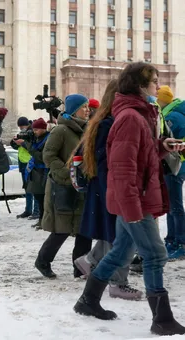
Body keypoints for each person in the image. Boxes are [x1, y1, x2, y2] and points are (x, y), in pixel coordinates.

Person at [73, 62, 185, 336]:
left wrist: (162, 147)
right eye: (154, 81)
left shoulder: (138, 114)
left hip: (134, 199)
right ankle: (162, 318)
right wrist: (133, 210)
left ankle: (88, 301)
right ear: (138, 84)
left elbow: (140, 156)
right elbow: (122, 170)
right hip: (135, 200)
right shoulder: (131, 118)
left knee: (122, 251)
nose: (157, 87)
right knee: (156, 254)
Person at [73, 79, 143, 301]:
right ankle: (117, 282)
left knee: (115, 233)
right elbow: (107, 160)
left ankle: (91, 261)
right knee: (121, 235)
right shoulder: (111, 123)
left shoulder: (104, 121)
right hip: (110, 187)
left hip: (106, 187)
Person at [35, 94, 92, 279]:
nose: (88, 110)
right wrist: (68, 174)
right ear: (74, 110)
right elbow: (49, 156)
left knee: (84, 230)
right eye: (83, 107)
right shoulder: (60, 130)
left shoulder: (88, 129)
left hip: (83, 187)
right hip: (63, 187)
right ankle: (43, 261)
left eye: (88, 107)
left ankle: (81, 268)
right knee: (62, 229)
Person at [156, 85, 185, 260]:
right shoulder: (169, 112)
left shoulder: (172, 115)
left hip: (176, 166)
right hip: (174, 164)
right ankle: (172, 239)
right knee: (171, 205)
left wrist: (176, 156)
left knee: (174, 206)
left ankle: (180, 242)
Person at [22, 118, 50, 229]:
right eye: (34, 129)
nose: (34, 131)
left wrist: (29, 146)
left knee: (43, 198)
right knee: (38, 197)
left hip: (43, 172)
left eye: (37, 129)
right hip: (36, 171)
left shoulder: (47, 139)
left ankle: (43, 220)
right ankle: (41, 219)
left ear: (43, 129)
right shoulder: (37, 139)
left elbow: (41, 157)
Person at [11, 116, 40, 220]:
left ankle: (36, 211)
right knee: (27, 188)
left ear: (27, 125)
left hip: (31, 163)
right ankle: (28, 210)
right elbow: (16, 146)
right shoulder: (23, 134)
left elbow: (32, 147)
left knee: (34, 188)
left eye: (22, 126)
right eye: (19, 127)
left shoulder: (32, 133)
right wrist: (15, 141)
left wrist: (22, 143)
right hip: (23, 163)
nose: (21, 128)